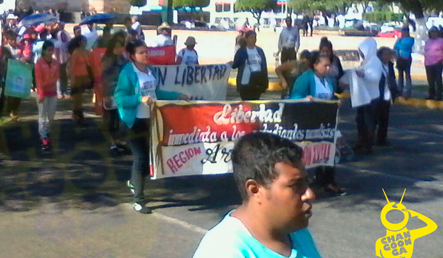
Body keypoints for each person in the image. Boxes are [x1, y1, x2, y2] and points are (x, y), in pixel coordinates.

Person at [193, 133, 321, 258]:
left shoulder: (295, 230)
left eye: (306, 182)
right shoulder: (225, 251)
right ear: (255, 190)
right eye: (295, 185)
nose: (309, 194)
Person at [114, 40, 186, 214]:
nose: (145, 55)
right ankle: (138, 200)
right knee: (140, 158)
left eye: (146, 51)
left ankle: (133, 182)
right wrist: (139, 99)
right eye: (141, 52)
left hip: (151, 120)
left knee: (150, 159)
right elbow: (119, 98)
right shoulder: (128, 72)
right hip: (134, 121)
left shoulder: (151, 70)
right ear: (132, 56)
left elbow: (156, 93)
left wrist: (177, 95)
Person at [289, 52, 344, 195]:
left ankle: (328, 181)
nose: (328, 68)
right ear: (315, 65)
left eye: (329, 65)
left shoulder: (330, 80)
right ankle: (308, 181)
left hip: (327, 123)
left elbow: (331, 96)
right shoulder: (305, 78)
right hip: (309, 122)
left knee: (329, 149)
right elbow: (293, 96)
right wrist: (305, 98)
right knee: (311, 151)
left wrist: (336, 102)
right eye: (325, 65)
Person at [349, 38, 382, 154]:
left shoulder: (375, 62)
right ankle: (361, 141)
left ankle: (368, 144)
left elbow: (375, 78)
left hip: (371, 97)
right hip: (363, 96)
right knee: (360, 120)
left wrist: (363, 74)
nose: (361, 54)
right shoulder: (366, 62)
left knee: (369, 122)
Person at [102, 37, 129, 156]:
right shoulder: (107, 60)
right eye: (117, 47)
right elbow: (104, 79)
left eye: (120, 46)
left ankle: (119, 142)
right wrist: (106, 94)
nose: (119, 49)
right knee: (111, 119)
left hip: (121, 92)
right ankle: (113, 143)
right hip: (111, 92)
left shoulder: (123, 59)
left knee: (121, 119)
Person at [35, 40, 59, 151]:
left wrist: (48, 82)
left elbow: (56, 77)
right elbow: (38, 79)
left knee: (51, 116)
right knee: (42, 116)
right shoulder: (39, 63)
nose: (51, 52)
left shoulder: (55, 63)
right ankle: (43, 136)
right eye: (49, 50)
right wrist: (41, 92)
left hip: (52, 92)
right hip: (42, 93)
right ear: (44, 51)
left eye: (52, 50)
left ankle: (47, 132)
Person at [232, 30, 268, 101]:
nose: (253, 40)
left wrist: (265, 82)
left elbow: (264, 66)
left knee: (255, 101)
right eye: (251, 38)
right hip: (245, 81)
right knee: (246, 102)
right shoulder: (242, 51)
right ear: (246, 39)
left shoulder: (259, 50)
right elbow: (235, 65)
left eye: (255, 38)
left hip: (257, 80)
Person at [374, 47, 398, 147]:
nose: (387, 56)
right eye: (385, 54)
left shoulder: (390, 65)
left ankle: (382, 139)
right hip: (377, 95)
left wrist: (396, 91)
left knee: (385, 119)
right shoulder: (376, 65)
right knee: (374, 118)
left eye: (389, 54)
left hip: (387, 95)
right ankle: (368, 138)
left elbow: (392, 78)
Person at [69, 36, 92, 124]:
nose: (85, 42)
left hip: (85, 77)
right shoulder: (76, 52)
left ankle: (76, 114)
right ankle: (78, 114)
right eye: (84, 41)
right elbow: (72, 67)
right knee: (77, 97)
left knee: (82, 97)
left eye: (86, 41)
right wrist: (72, 79)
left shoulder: (87, 52)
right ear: (80, 42)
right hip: (77, 77)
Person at [394, 26, 414, 98]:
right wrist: (399, 47)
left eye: (405, 31)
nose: (404, 32)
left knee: (407, 75)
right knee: (400, 75)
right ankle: (400, 89)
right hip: (399, 58)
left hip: (407, 58)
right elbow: (395, 47)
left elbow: (406, 46)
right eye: (403, 31)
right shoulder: (400, 39)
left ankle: (408, 90)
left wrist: (400, 46)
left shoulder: (411, 39)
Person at [424, 27, 443, 101]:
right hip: (428, 63)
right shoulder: (428, 41)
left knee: (438, 79)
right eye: (432, 32)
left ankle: (439, 95)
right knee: (430, 79)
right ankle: (431, 94)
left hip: (438, 62)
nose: (433, 33)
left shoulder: (441, 41)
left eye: (435, 32)